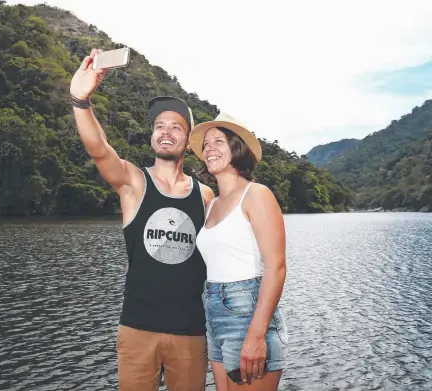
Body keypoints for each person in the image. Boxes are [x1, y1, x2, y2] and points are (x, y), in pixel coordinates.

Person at [70, 48, 215, 391]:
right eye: (159, 126)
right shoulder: (134, 183)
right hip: (137, 329)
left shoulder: (205, 196)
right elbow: (99, 149)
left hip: (190, 332)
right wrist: (80, 100)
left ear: (188, 138)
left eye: (176, 127)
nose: (166, 132)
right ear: (152, 136)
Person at [189, 112, 289, 390]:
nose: (209, 148)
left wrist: (257, 335)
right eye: (206, 144)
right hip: (213, 311)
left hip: (248, 312)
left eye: (218, 141)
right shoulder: (212, 205)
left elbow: (277, 267)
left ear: (237, 149)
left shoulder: (257, 194)